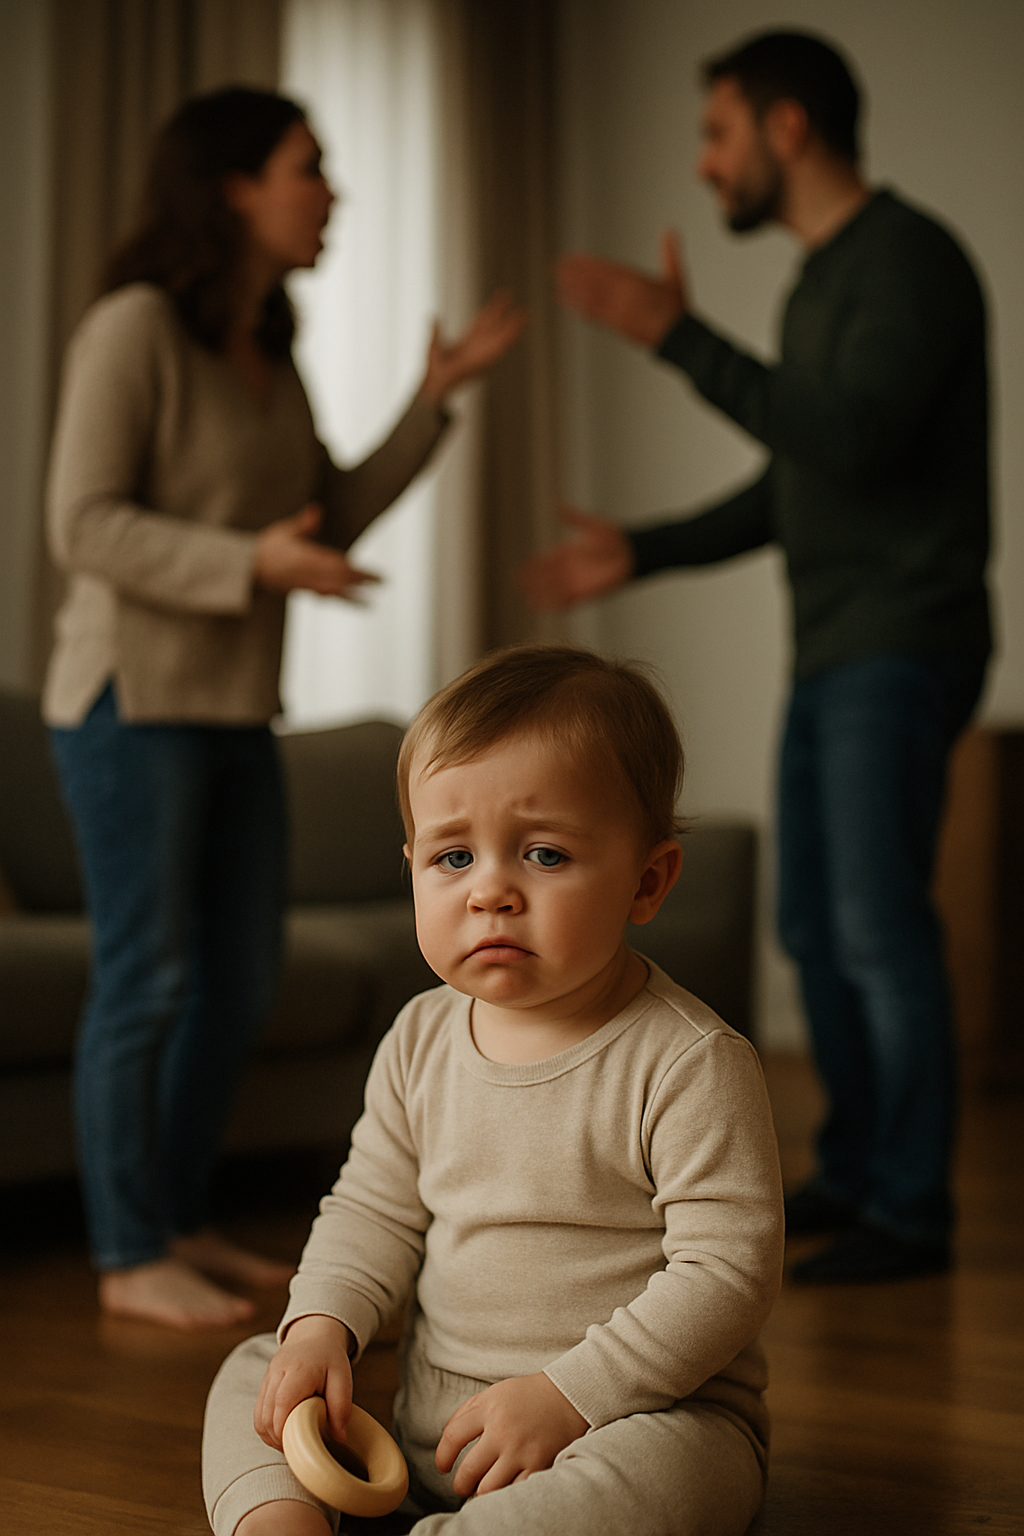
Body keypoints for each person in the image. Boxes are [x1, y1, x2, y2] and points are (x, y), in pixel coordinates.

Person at [44, 86, 525, 1331]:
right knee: (146, 977)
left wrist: (433, 400)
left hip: (233, 702)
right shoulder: (132, 329)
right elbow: (81, 523)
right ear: (231, 189)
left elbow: (323, 514)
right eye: (308, 167)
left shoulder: (272, 339)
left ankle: (182, 1218)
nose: (332, 192)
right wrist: (250, 563)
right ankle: (125, 1246)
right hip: (128, 701)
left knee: (237, 977)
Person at [520, 30, 990, 1284]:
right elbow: (801, 481)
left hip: (902, 637)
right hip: (839, 646)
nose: (704, 161)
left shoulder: (908, 261)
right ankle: (856, 1167)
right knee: (819, 927)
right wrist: (644, 549)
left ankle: (912, 1210)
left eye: (717, 132)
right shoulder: (819, 282)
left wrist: (678, 337)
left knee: (876, 926)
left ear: (788, 128)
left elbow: (849, 438)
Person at [200, 642, 784, 1536]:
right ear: (412, 868)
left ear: (647, 880)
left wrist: (569, 1395)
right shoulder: (420, 1039)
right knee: (264, 1363)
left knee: (682, 1473)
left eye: (545, 855)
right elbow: (372, 1211)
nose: (492, 893)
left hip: (630, 1418)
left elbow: (727, 1272)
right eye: (452, 858)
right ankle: (280, 1522)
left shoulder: (689, 1060)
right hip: (431, 1427)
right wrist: (323, 1326)